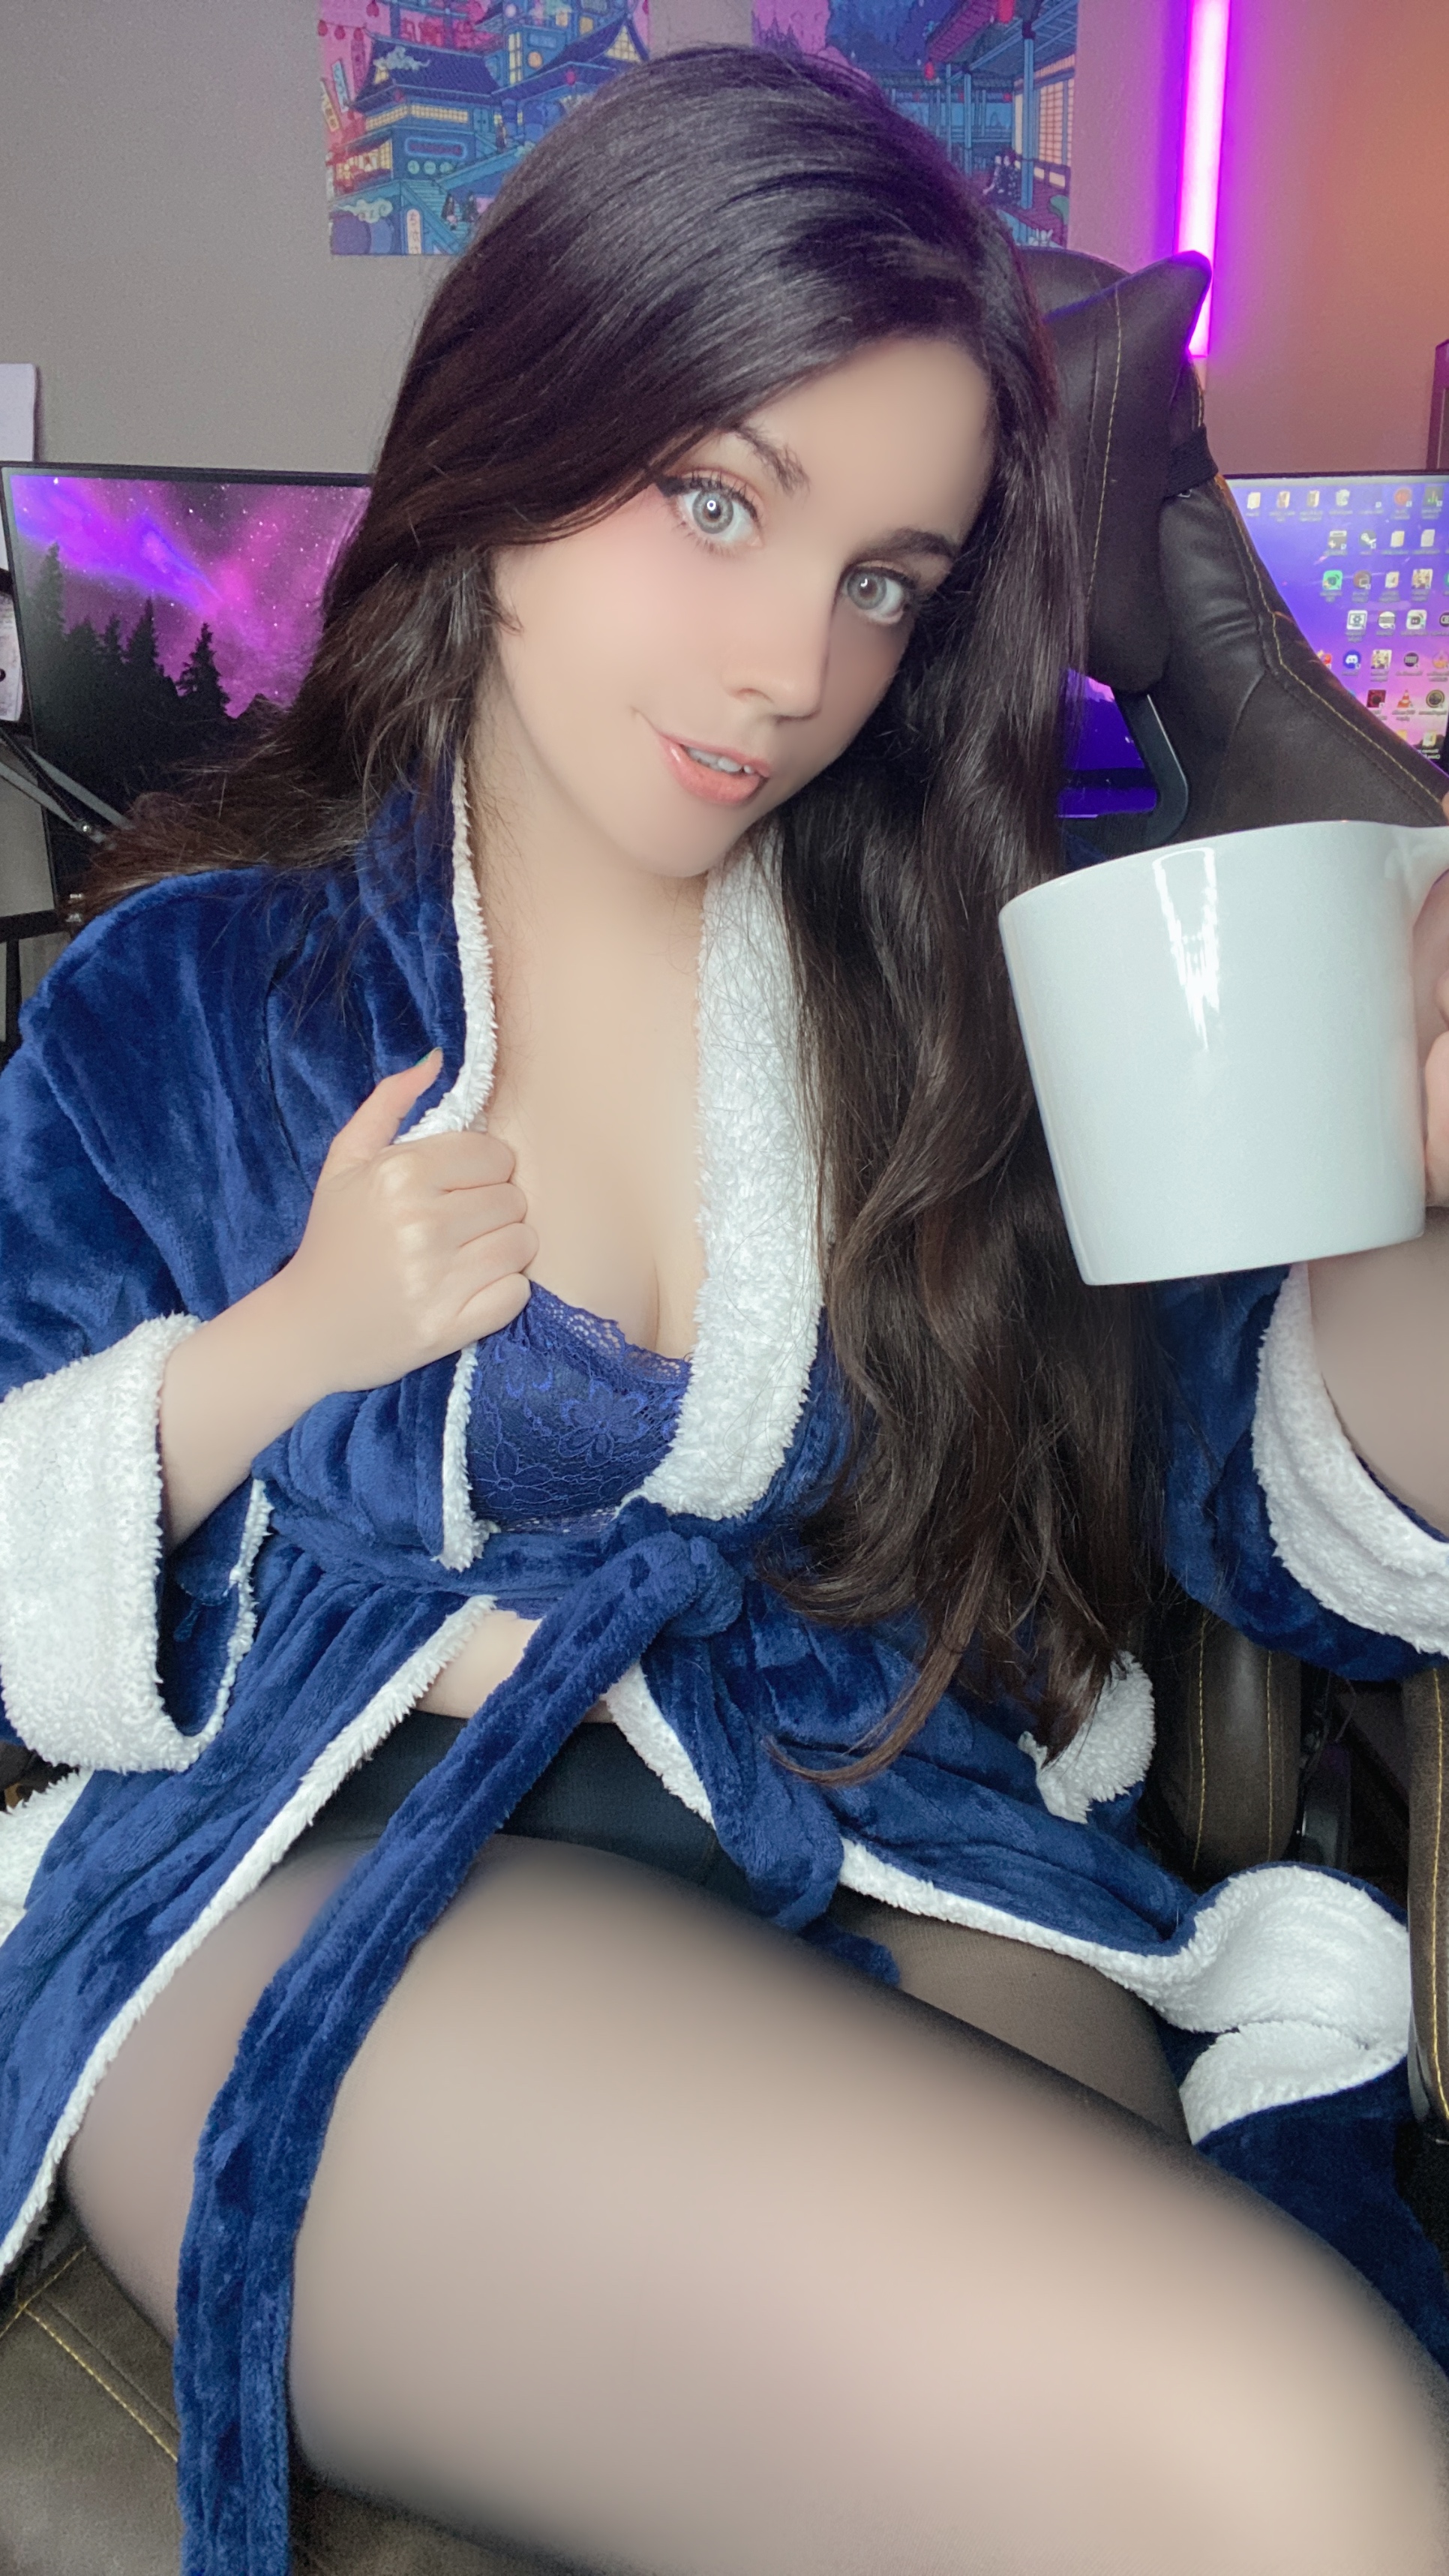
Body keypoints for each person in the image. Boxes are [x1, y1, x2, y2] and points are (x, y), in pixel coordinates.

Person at [1, 47, 1448, 2576]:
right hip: (338, 1859)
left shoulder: (930, 1000)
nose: (791, 663)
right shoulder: (199, 997)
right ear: (516, 436)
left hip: (885, 1836)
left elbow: (1244, 1481)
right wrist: (281, 1345)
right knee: (1292, 2456)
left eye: (884, 577)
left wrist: (1409, 1215)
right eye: (715, 504)